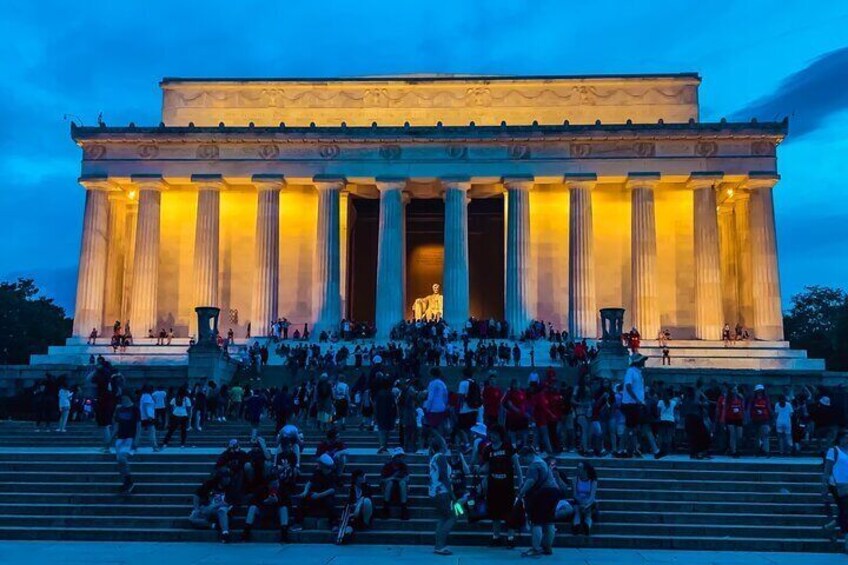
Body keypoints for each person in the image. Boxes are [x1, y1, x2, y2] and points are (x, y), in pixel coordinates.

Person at [481, 424, 523, 548]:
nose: (492, 436)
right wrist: (480, 470)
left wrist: (521, 481)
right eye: (490, 434)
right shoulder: (487, 450)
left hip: (507, 485)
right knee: (494, 512)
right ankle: (496, 537)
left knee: (509, 511)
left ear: (500, 435)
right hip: (493, 485)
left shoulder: (508, 447)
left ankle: (510, 537)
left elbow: (517, 465)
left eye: (494, 434)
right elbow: (486, 467)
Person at [516, 446, 560, 557]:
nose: (523, 461)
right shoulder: (542, 462)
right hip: (554, 492)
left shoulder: (534, 465)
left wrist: (521, 493)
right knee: (549, 520)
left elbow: (531, 481)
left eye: (523, 458)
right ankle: (547, 547)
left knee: (537, 521)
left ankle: (535, 549)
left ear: (529, 455)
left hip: (543, 494)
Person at [618, 353, 662, 459]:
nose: (644, 362)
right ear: (637, 361)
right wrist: (637, 399)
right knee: (631, 428)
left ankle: (654, 450)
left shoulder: (639, 373)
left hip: (638, 404)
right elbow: (628, 387)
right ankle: (622, 449)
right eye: (642, 360)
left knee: (640, 427)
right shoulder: (631, 371)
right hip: (631, 405)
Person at [291, 453, 338, 533]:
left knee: (330, 503)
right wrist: (305, 491)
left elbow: (332, 490)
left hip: (325, 495)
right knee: (302, 501)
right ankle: (298, 523)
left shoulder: (332, 475)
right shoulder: (317, 472)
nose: (317, 464)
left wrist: (319, 495)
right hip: (315, 494)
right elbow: (310, 482)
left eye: (319, 463)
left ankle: (334, 524)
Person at [191, 468, 236, 543]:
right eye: (226, 477)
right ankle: (213, 525)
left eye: (229, 477)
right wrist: (196, 509)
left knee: (222, 510)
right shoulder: (210, 484)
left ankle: (225, 533)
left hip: (223, 511)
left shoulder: (231, 487)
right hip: (209, 508)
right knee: (192, 518)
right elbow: (196, 495)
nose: (228, 479)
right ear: (220, 478)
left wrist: (219, 505)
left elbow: (232, 502)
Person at [429, 436, 456, 556]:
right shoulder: (441, 457)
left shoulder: (433, 457)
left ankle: (438, 545)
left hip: (435, 492)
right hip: (442, 492)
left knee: (443, 518)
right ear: (442, 445)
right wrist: (452, 494)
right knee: (452, 517)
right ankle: (440, 545)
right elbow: (443, 477)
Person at [823, 430, 848, 553]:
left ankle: (831, 526)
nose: (847, 440)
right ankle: (846, 541)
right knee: (846, 510)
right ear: (840, 438)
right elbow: (827, 470)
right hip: (837, 485)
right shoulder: (833, 451)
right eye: (845, 437)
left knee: (845, 511)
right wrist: (824, 487)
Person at [112, 394, 141, 494]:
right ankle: (126, 482)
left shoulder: (135, 409)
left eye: (124, 398)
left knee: (122, 458)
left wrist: (136, 440)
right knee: (120, 463)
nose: (122, 401)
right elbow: (116, 425)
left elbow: (138, 426)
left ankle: (129, 481)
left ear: (128, 397)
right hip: (120, 438)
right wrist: (110, 439)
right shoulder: (119, 409)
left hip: (130, 438)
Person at [380, 448, 410, 519]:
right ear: (394, 457)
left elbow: (407, 479)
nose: (400, 458)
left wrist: (395, 478)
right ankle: (385, 509)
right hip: (388, 489)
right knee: (390, 483)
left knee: (402, 483)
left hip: (400, 489)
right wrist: (393, 478)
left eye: (401, 456)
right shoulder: (387, 466)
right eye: (399, 456)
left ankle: (404, 510)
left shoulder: (404, 466)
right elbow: (382, 480)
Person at [572, 461, 598, 535]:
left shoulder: (593, 481)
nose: (577, 469)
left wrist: (586, 504)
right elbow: (574, 494)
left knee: (588, 511)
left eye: (580, 467)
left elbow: (592, 496)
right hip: (578, 500)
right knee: (577, 510)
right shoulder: (575, 479)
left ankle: (586, 527)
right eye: (577, 467)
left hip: (589, 501)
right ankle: (576, 526)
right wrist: (581, 503)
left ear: (585, 470)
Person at [749, 384, 772, 457]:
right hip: (756, 420)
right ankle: (757, 451)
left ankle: (766, 451)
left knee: (765, 435)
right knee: (757, 437)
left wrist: (770, 418)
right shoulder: (753, 400)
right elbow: (751, 410)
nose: (759, 392)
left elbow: (769, 409)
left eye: (761, 390)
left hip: (765, 419)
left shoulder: (766, 399)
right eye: (758, 391)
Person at [139, 385, 160, 451]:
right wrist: (149, 416)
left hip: (144, 417)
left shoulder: (143, 396)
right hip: (148, 417)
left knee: (140, 432)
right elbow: (147, 407)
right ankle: (154, 446)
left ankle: (134, 445)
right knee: (151, 432)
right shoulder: (147, 397)